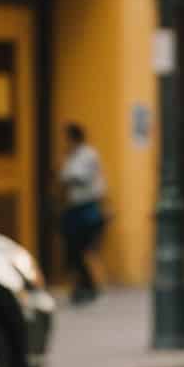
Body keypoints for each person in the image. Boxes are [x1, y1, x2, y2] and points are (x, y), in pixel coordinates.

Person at [58, 122, 108, 304]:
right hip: (74, 209)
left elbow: (75, 177)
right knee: (74, 251)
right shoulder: (72, 155)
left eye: (66, 137)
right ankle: (81, 288)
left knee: (85, 251)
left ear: (73, 138)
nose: (64, 142)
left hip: (87, 208)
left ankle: (92, 288)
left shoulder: (87, 154)